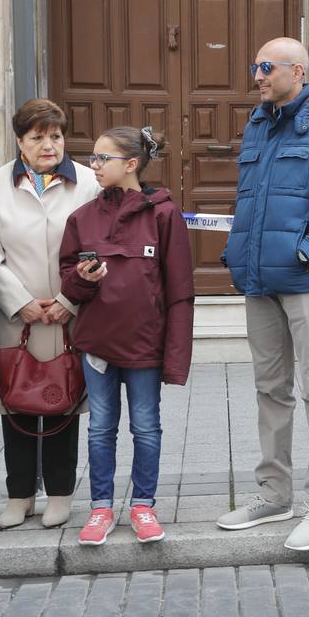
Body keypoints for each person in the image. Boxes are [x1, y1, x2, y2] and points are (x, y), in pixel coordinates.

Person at [216, 37, 309, 552]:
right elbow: (253, 200)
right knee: (270, 390)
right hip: (259, 281)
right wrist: (241, 254)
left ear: (297, 70)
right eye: (253, 65)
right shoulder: (258, 121)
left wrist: (308, 251)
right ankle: (274, 494)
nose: (256, 75)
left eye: (266, 67)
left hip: (307, 283)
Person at [60, 127, 194, 545]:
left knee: (146, 428)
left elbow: (180, 293)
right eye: (93, 158)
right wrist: (82, 279)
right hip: (97, 345)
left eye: (103, 159)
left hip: (145, 347)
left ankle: (143, 506)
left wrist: (175, 360)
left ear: (131, 164)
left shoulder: (164, 215)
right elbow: (68, 282)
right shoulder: (82, 218)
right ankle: (100, 508)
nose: (94, 166)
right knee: (100, 428)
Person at [0, 99, 99, 530]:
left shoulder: (87, 182)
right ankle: (19, 494)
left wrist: (68, 300)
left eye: (56, 136)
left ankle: (60, 493)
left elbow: (97, 246)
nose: (49, 145)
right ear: (19, 142)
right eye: (38, 137)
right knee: (18, 401)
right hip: (16, 315)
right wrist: (20, 301)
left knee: (63, 399)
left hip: (70, 311)